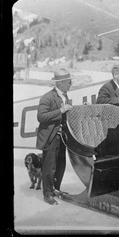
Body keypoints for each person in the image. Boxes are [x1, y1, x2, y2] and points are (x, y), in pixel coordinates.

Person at [36, 68, 73, 205]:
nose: (71, 84)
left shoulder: (65, 95)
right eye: (69, 82)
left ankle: (55, 189)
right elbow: (41, 117)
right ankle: (48, 194)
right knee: (49, 166)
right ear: (61, 83)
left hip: (62, 137)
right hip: (51, 138)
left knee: (61, 164)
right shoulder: (47, 97)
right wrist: (61, 110)